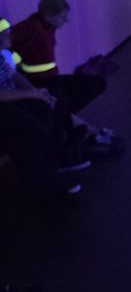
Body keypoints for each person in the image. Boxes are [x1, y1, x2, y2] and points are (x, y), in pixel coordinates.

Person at [1, 17, 91, 198]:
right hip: (5, 103)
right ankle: (45, 172)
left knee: (57, 99)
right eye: (6, 34)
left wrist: (36, 92)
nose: (11, 36)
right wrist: (31, 94)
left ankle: (60, 153)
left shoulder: (2, 57)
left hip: (15, 97)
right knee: (31, 123)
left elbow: (14, 75)